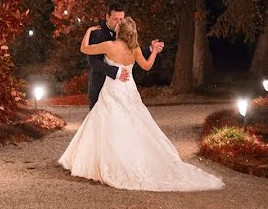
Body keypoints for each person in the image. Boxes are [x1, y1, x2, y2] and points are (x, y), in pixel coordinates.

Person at [58, 17, 224, 191]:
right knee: (134, 123)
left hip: (113, 89)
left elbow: (84, 48)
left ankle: (108, 162)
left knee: (108, 123)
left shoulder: (109, 46)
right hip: (129, 89)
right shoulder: (135, 49)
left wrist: (88, 32)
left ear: (119, 31)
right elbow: (146, 67)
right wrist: (153, 52)